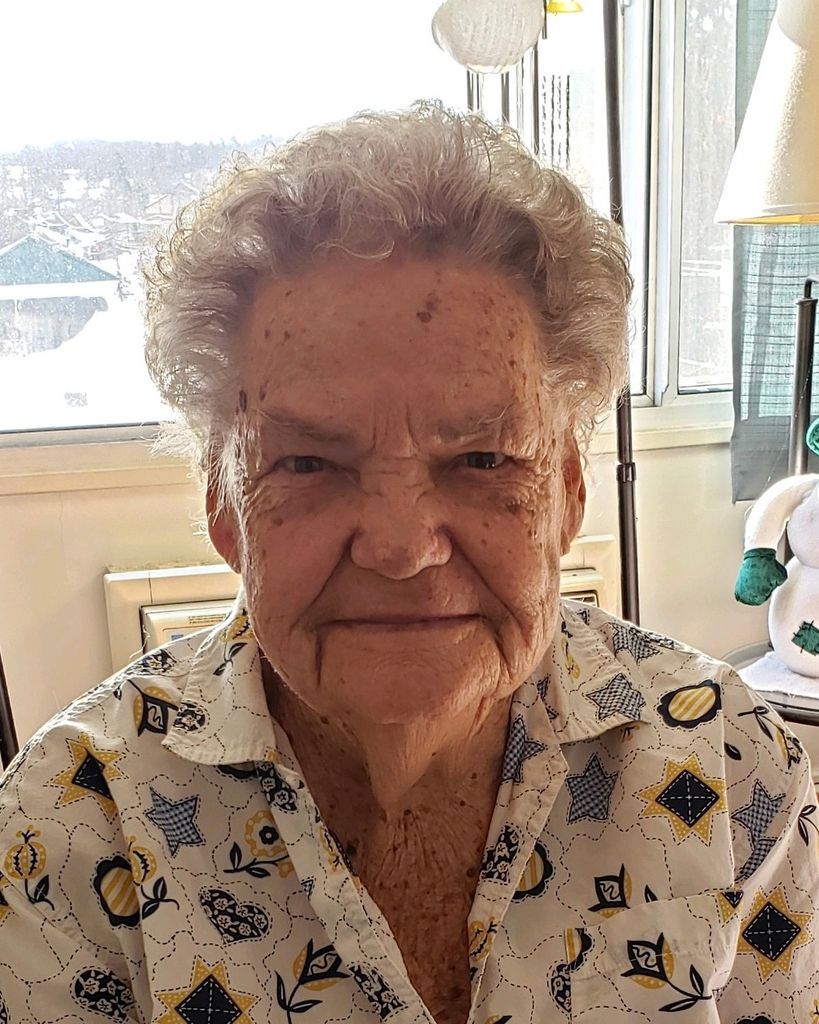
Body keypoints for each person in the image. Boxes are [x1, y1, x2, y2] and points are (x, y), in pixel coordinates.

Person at [0, 104, 817, 1024]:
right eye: (307, 464)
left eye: (483, 459)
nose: (399, 547)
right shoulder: (75, 819)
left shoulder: (728, 760)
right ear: (224, 507)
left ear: (567, 491)